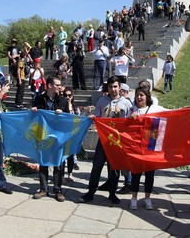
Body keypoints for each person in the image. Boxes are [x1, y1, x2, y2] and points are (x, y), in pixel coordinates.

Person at [79, 76, 131, 204]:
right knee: (97, 166)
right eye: (110, 87)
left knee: (114, 168)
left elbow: (130, 121)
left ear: (119, 87)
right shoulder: (102, 101)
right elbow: (97, 115)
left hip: (117, 142)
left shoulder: (126, 103)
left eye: (115, 86)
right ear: (107, 87)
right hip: (103, 140)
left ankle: (112, 193)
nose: (113, 89)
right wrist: (92, 117)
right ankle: (91, 192)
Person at [31, 76, 69, 202]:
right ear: (50, 85)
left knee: (58, 164)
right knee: (43, 162)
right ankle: (43, 189)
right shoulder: (39, 99)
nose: (60, 87)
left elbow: (68, 118)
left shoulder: (63, 101)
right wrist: (33, 111)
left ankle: (58, 190)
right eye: (57, 85)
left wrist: (62, 114)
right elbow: (33, 118)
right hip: (43, 135)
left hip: (58, 136)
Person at [128, 87, 167, 210]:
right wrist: (130, 118)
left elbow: (172, 112)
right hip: (136, 146)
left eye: (141, 95)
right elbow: (124, 124)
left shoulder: (155, 108)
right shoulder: (132, 109)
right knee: (136, 173)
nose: (139, 97)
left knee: (150, 174)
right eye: (137, 95)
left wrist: (189, 108)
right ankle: (134, 198)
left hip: (151, 145)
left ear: (147, 97)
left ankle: (147, 198)